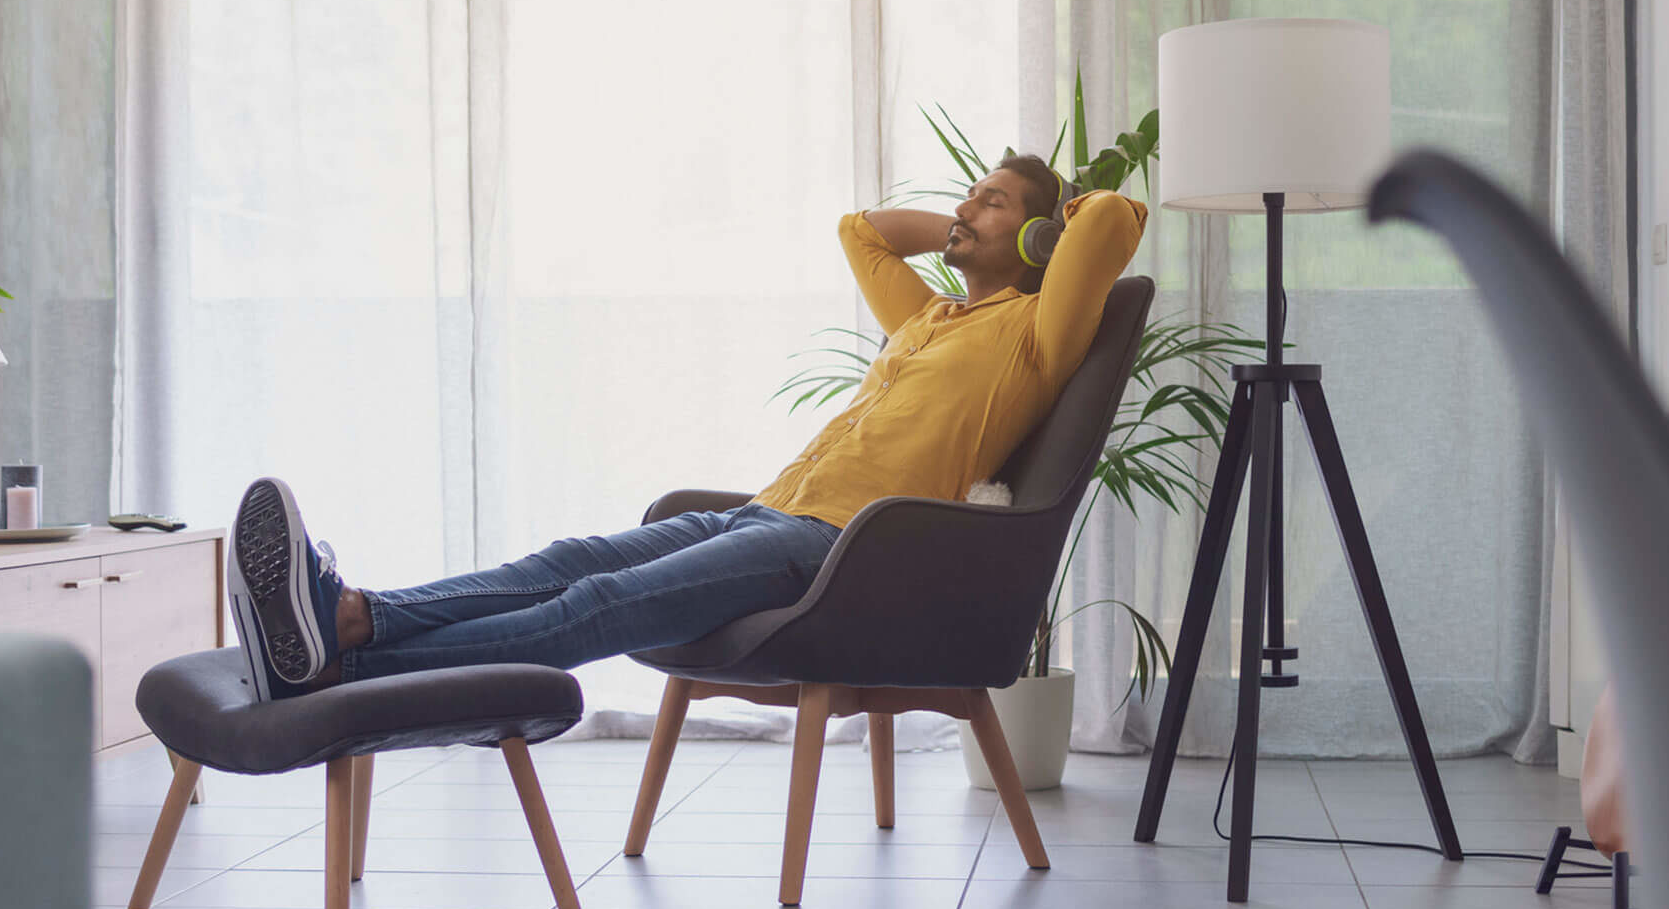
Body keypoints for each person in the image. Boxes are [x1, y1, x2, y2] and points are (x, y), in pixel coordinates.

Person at [228, 154, 1148, 701]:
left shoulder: (1035, 335)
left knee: (584, 613)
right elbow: (859, 231)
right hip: (759, 515)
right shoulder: (927, 318)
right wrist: (973, 218)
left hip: (835, 546)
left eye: (990, 201)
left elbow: (1114, 218)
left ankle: (341, 678)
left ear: (1037, 243)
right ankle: (353, 619)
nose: (961, 210)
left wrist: (1058, 223)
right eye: (968, 194)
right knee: (561, 562)